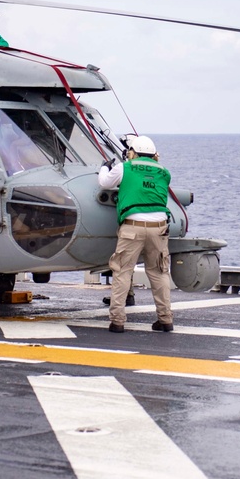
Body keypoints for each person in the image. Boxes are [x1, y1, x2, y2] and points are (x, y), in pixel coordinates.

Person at [98, 135, 174, 333]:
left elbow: (105, 183)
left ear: (132, 152)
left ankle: (117, 321)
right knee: (159, 272)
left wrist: (105, 167)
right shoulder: (164, 172)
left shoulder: (125, 167)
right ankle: (165, 320)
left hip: (132, 226)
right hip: (160, 227)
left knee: (123, 271)